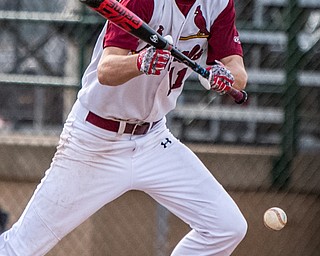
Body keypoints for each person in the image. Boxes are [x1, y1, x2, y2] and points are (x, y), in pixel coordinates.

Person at [0, 0, 248, 255]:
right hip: (95, 141)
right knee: (21, 247)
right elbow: (106, 70)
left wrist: (227, 77)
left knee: (227, 227)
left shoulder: (217, 4)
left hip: (153, 140)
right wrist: (140, 62)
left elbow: (238, 71)